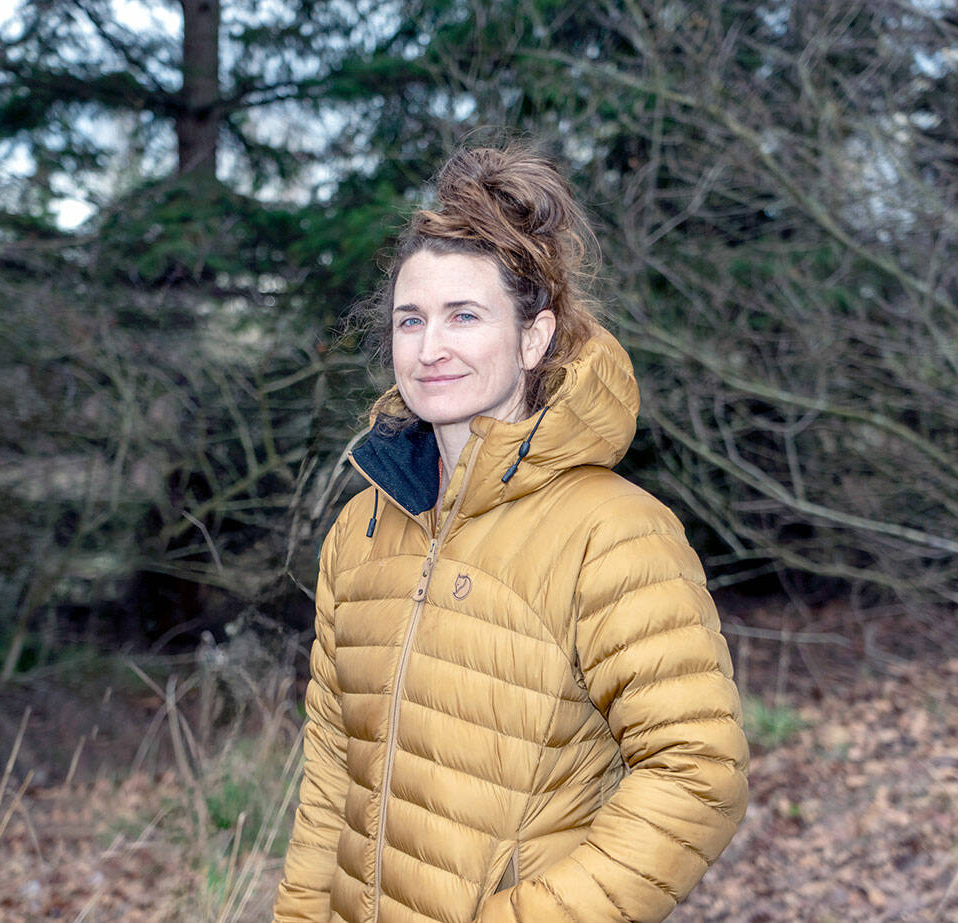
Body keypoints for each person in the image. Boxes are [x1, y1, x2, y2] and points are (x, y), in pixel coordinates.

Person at [274, 145, 748, 923]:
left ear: (533, 337)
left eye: (464, 315)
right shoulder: (360, 529)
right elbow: (331, 769)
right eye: (411, 320)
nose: (430, 348)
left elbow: (698, 774)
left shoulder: (613, 531)